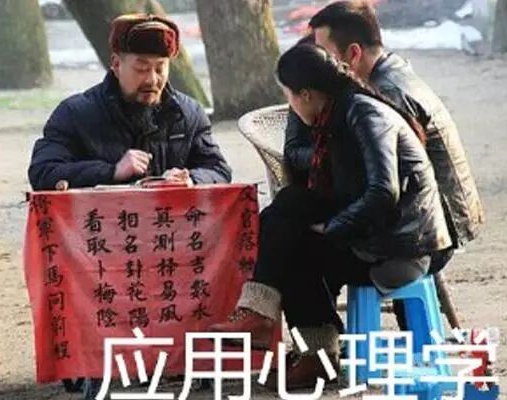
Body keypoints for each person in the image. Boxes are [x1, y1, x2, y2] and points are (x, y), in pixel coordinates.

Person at [209, 43, 452, 389]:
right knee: (288, 213)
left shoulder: (365, 115)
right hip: (374, 236)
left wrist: (333, 228)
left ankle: (299, 343)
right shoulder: (336, 115)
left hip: (400, 249)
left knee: (293, 242)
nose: (291, 106)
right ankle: (293, 339)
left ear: (306, 95)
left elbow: (384, 192)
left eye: (289, 96)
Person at [285, 0, 483, 255]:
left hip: (432, 228)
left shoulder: (383, 96)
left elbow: (383, 187)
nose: (318, 61)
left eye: (324, 54)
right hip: (434, 218)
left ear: (353, 54)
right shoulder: (388, 71)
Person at [28, 14, 231, 191]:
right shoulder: (75, 114)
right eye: (141, 69)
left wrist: (191, 180)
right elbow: (43, 172)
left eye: (160, 68)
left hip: (170, 223)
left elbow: (218, 169)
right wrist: (112, 171)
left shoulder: (187, 114)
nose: (152, 79)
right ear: (116, 64)